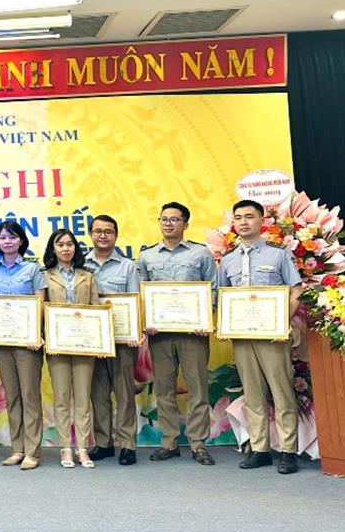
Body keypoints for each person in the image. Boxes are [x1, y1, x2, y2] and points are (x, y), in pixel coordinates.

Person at [217, 200, 303, 474]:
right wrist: (224, 325)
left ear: (261, 220)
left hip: (272, 336)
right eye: (238, 217)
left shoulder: (278, 254)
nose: (243, 222)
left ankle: (288, 451)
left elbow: (296, 291)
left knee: (281, 392)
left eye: (249, 216)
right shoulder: (228, 259)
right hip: (242, 337)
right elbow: (222, 297)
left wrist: (281, 322)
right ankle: (260, 449)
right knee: (252, 394)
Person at [136, 202, 217, 465]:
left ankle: (198, 443)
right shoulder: (147, 256)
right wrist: (146, 320)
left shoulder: (201, 253)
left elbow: (213, 290)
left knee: (198, 389)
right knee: (164, 389)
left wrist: (205, 317)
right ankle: (169, 441)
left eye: (174, 219)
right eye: (164, 219)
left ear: (185, 224)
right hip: (160, 334)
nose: (168, 223)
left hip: (194, 334)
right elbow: (140, 294)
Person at [0, 220, 47, 470]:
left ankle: (33, 451)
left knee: (30, 396)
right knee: (12, 396)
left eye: (12, 237)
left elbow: (39, 304)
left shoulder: (32, 269)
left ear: (21, 240)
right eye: (3, 238)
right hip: (2, 343)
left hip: (27, 344)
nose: (7, 241)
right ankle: (17, 449)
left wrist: (35, 334)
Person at [84, 215, 141, 466]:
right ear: (90, 235)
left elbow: (135, 301)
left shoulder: (128, 266)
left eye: (108, 231)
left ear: (116, 235)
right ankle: (103, 443)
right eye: (98, 231)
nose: (103, 236)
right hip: (92, 341)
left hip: (122, 340)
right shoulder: (81, 265)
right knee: (98, 393)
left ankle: (127, 444)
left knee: (124, 393)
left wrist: (134, 333)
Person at [42, 229, 101, 469]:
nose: (65, 249)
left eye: (70, 244)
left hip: (84, 344)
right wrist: (44, 337)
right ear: (53, 249)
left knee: (83, 397)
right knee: (62, 397)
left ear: (75, 248)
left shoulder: (87, 276)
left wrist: (98, 340)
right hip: (56, 344)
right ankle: (66, 447)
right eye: (60, 244)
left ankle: (83, 448)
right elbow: (40, 310)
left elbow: (96, 310)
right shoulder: (44, 276)